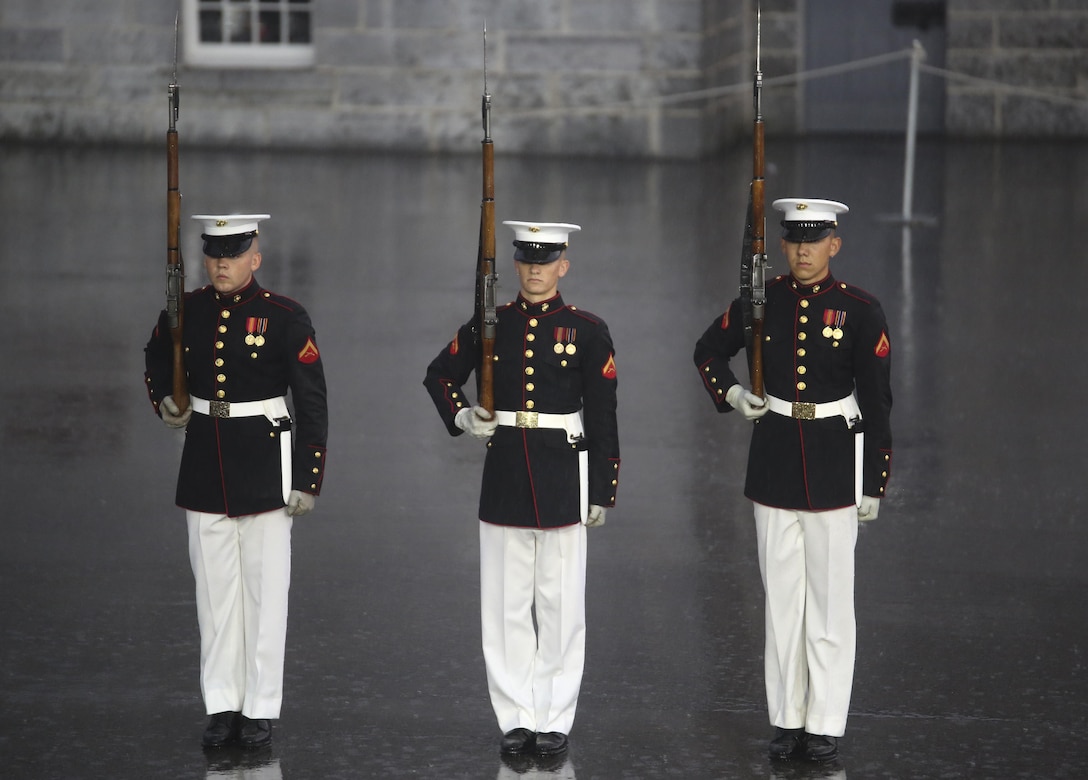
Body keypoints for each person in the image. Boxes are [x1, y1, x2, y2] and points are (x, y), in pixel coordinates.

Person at [693, 198, 892, 763]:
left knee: (829, 606)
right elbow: (708, 352)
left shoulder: (859, 309)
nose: (804, 251)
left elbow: (877, 400)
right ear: (782, 246)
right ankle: (787, 719)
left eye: (815, 240)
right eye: (795, 241)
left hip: (834, 463)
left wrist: (873, 480)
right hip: (775, 460)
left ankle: (824, 723)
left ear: (835, 244)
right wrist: (733, 394)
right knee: (782, 604)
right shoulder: (762, 301)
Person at [423, 220, 620, 757]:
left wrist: (601, 488)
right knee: (505, 607)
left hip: (563, 473)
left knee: (561, 608)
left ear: (563, 266)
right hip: (506, 471)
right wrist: (462, 415)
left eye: (546, 260)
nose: (535, 270)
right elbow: (439, 374)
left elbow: (603, 414)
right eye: (528, 260)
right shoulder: (492, 323)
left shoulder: (586, 330)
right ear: (515, 265)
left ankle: (554, 718)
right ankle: (515, 717)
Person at [144, 214, 328, 749]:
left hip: (266, 461)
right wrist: (165, 400)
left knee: (264, 596)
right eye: (215, 254)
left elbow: (311, 401)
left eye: (234, 254)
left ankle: (260, 707)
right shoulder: (187, 311)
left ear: (255, 257)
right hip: (206, 459)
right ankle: (223, 704)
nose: (222, 264)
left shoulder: (285, 316)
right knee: (215, 596)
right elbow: (155, 357)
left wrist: (308, 477)